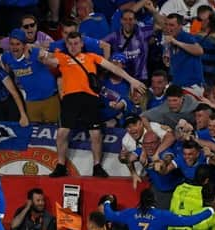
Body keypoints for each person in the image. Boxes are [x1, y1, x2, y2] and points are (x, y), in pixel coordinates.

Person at [44, 31, 145, 178]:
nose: (73, 46)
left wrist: (131, 80)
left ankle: (97, 166)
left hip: (90, 98)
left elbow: (113, 68)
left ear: (81, 44)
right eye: (70, 44)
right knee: (62, 133)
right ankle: (60, 166)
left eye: (76, 43)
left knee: (96, 134)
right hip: (70, 99)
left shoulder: (91, 57)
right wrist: (44, 53)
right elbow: (48, 60)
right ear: (66, 45)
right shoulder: (62, 57)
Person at [1, 28, 60, 124]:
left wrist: (44, 56)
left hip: (50, 99)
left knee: (53, 132)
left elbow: (56, 58)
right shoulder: (7, 57)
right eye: (12, 44)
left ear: (24, 45)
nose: (14, 47)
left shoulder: (35, 52)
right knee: (34, 134)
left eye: (18, 44)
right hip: (31, 102)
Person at [162, 13, 204, 95]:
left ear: (180, 26)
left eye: (171, 25)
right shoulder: (169, 40)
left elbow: (199, 50)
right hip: (178, 85)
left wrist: (176, 42)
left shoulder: (185, 36)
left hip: (191, 86)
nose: (168, 28)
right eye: (166, 24)